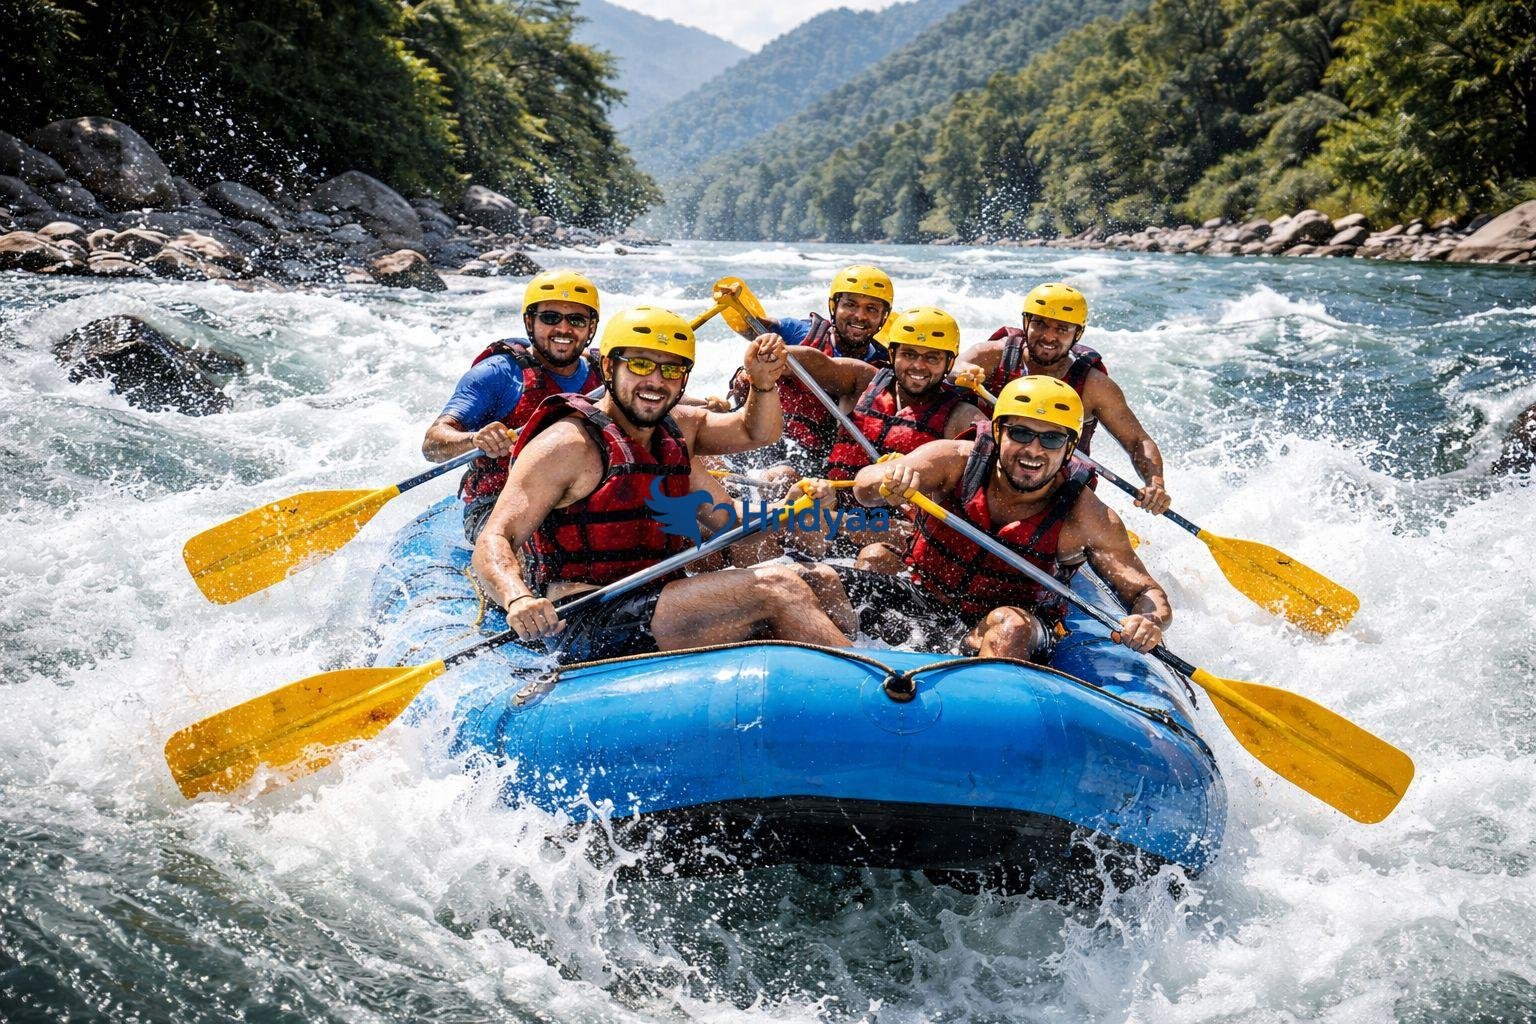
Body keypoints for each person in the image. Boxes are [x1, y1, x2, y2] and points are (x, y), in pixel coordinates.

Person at [473, 306, 854, 661]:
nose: (655, 382)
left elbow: (734, 520)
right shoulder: (566, 445)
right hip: (588, 617)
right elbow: (494, 539)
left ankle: (874, 680)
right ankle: (879, 686)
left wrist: (790, 509)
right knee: (778, 588)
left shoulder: (675, 436)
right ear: (609, 366)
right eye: (640, 365)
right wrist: (517, 597)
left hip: (656, 597)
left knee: (819, 579)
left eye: (671, 371)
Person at [837, 375, 1171, 662]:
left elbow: (1147, 591)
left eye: (1052, 439)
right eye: (1021, 433)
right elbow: (864, 489)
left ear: (1069, 449)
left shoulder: (1086, 518)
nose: (1034, 450)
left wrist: (1147, 621)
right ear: (998, 433)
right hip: (923, 599)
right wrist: (886, 480)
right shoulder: (953, 461)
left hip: (1009, 628)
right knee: (789, 584)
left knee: (1010, 623)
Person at [952, 283, 1173, 515]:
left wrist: (1155, 483)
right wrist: (960, 371)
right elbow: (952, 367)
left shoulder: (1093, 386)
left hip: (1051, 479)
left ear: (1077, 333)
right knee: (961, 411)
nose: (1049, 336)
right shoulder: (993, 356)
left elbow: (1138, 441)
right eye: (1039, 324)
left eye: (1062, 328)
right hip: (988, 466)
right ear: (1025, 322)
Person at [422, 269, 605, 542]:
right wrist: (475, 439)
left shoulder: (606, 374)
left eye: (576, 319)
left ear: (591, 327)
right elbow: (432, 444)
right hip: (500, 504)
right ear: (530, 322)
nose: (564, 329)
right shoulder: (498, 373)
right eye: (550, 318)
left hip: (584, 497)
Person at [720, 266, 895, 470]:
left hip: (819, 460)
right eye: (850, 304)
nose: (860, 316)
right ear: (834, 306)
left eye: (871, 309)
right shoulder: (798, 333)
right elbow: (755, 328)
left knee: (780, 475)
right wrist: (736, 307)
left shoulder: (886, 364)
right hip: (767, 440)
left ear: (884, 317)